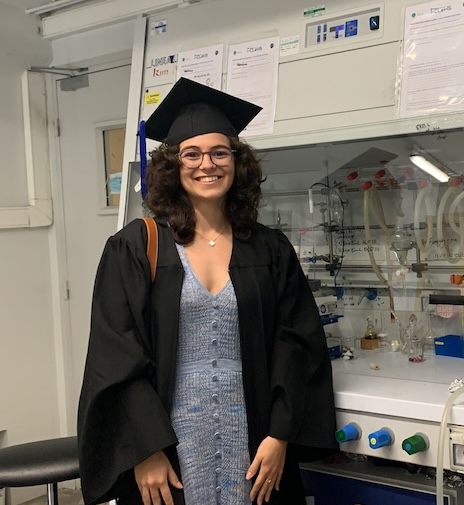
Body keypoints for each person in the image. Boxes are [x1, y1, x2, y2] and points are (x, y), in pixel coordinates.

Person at [77, 77, 338, 505]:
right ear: (173, 166)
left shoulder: (268, 248)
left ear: (237, 162)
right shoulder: (137, 246)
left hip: (254, 435)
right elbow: (115, 354)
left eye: (220, 152)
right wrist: (145, 449)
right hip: (169, 440)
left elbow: (295, 342)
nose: (207, 164)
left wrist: (279, 435)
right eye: (191, 154)